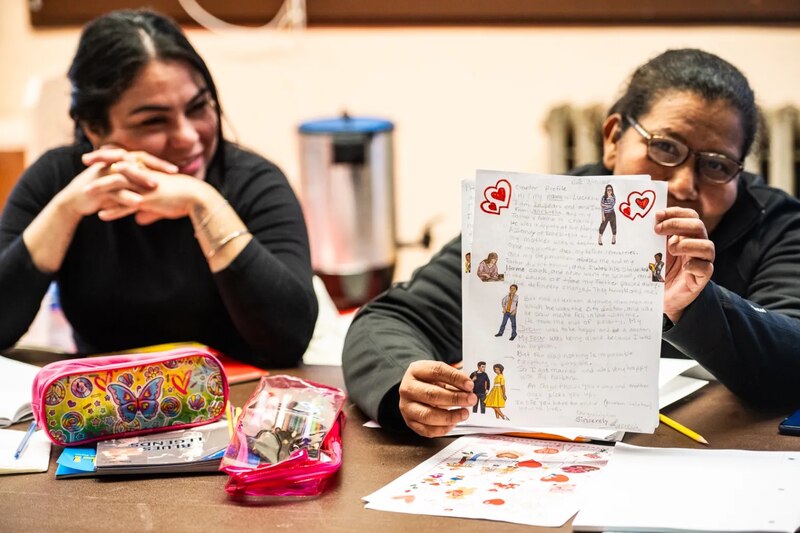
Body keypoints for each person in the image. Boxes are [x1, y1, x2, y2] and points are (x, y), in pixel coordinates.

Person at [342, 48, 800, 437]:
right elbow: (390, 319)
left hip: (709, 458)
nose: (683, 184)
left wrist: (695, 305)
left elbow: (793, 353)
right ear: (612, 139)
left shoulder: (776, 223)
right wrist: (405, 385)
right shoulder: (542, 212)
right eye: (665, 147)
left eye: (717, 165)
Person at [0, 10, 318, 367]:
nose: (187, 137)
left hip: (236, 402)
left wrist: (204, 203)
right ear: (94, 129)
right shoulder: (58, 179)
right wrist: (66, 211)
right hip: (103, 406)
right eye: (153, 121)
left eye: (198, 107)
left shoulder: (253, 181)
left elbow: (289, 340)